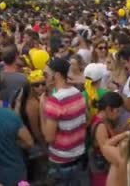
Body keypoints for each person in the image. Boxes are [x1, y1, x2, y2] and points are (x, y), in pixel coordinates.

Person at [41, 57, 87, 185]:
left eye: (46, 74)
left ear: (56, 75)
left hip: (61, 160)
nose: (44, 78)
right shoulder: (78, 93)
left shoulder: (55, 101)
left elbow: (48, 137)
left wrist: (41, 108)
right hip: (78, 156)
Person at [88, 92, 123, 186]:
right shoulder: (100, 126)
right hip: (101, 168)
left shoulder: (103, 120)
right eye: (118, 111)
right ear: (108, 109)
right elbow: (105, 146)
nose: (119, 114)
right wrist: (125, 134)